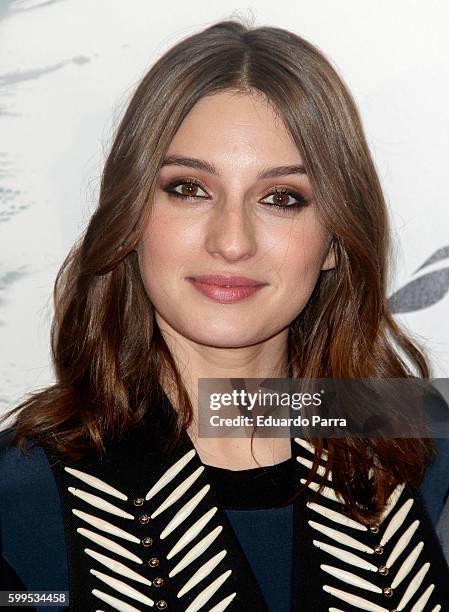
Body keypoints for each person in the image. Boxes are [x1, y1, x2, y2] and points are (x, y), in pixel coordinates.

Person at [1, 18, 448, 612]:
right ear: (131, 218)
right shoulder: (21, 493)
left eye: (281, 198)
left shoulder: (419, 441)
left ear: (337, 240)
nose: (232, 241)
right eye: (189, 188)